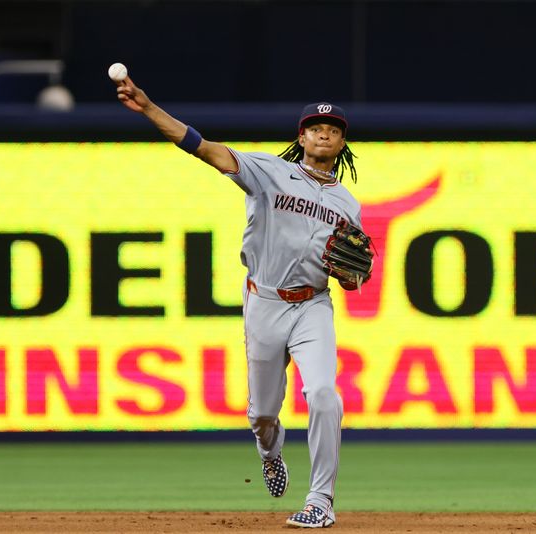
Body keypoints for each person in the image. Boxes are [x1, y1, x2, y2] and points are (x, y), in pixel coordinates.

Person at [115, 75, 363, 528]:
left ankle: (321, 500)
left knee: (324, 394)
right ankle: (271, 453)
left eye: (333, 129)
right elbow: (200, 146)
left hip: (313, 306)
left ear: (342, 141)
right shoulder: (268, 170)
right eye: (314, 127)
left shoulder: (349, 204)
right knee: (262, 414)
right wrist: (150, 108)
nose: (323, 132)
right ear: (301, 137)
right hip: (264, 303)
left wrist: (350, 277)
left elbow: (350, 274)